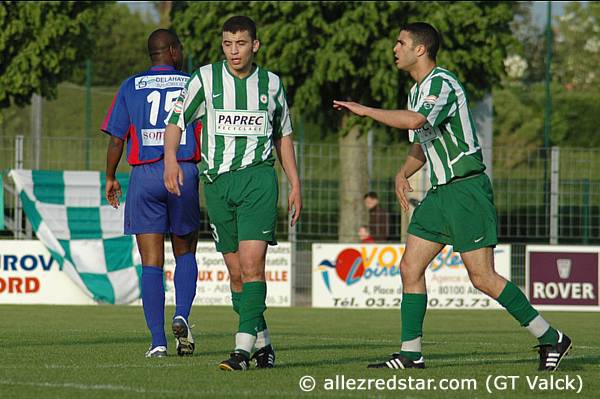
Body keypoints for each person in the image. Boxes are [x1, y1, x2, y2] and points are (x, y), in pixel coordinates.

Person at [334, 22, 570, 371]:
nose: (394, 49)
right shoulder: (416, 92)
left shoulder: (441, 84)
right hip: (440, 193)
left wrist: (366, 110)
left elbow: (415, 121)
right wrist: (403, 172)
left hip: (465, 190)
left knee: (482, 278)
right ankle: (411, 353)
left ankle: (551, 337)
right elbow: (422, 141)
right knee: (410, 267)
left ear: (420, 49)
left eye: (400, 43)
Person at [163, 16, 302, 371]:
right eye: (228, 44)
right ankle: (264, 344)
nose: (234, 51)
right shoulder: (205, 79)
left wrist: (295, 183)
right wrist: (170, 163)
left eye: (241, 43)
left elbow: (283, 135)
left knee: (253, 266)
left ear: (254, 45)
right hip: (218, 184)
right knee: (237, 272)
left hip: (257, 179)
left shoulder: (271, 84)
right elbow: (176, 121)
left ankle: (241, 351)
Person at [101, 29, 201, 358]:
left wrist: (111, 176)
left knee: (151, 264)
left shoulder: (131, 86)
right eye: (179, 49)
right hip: (182, 170)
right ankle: (182, 315)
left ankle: (157, 341)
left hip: (144, 176)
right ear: (172, 51)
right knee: (185, 252)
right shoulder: (192, 83)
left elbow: (117, 139)